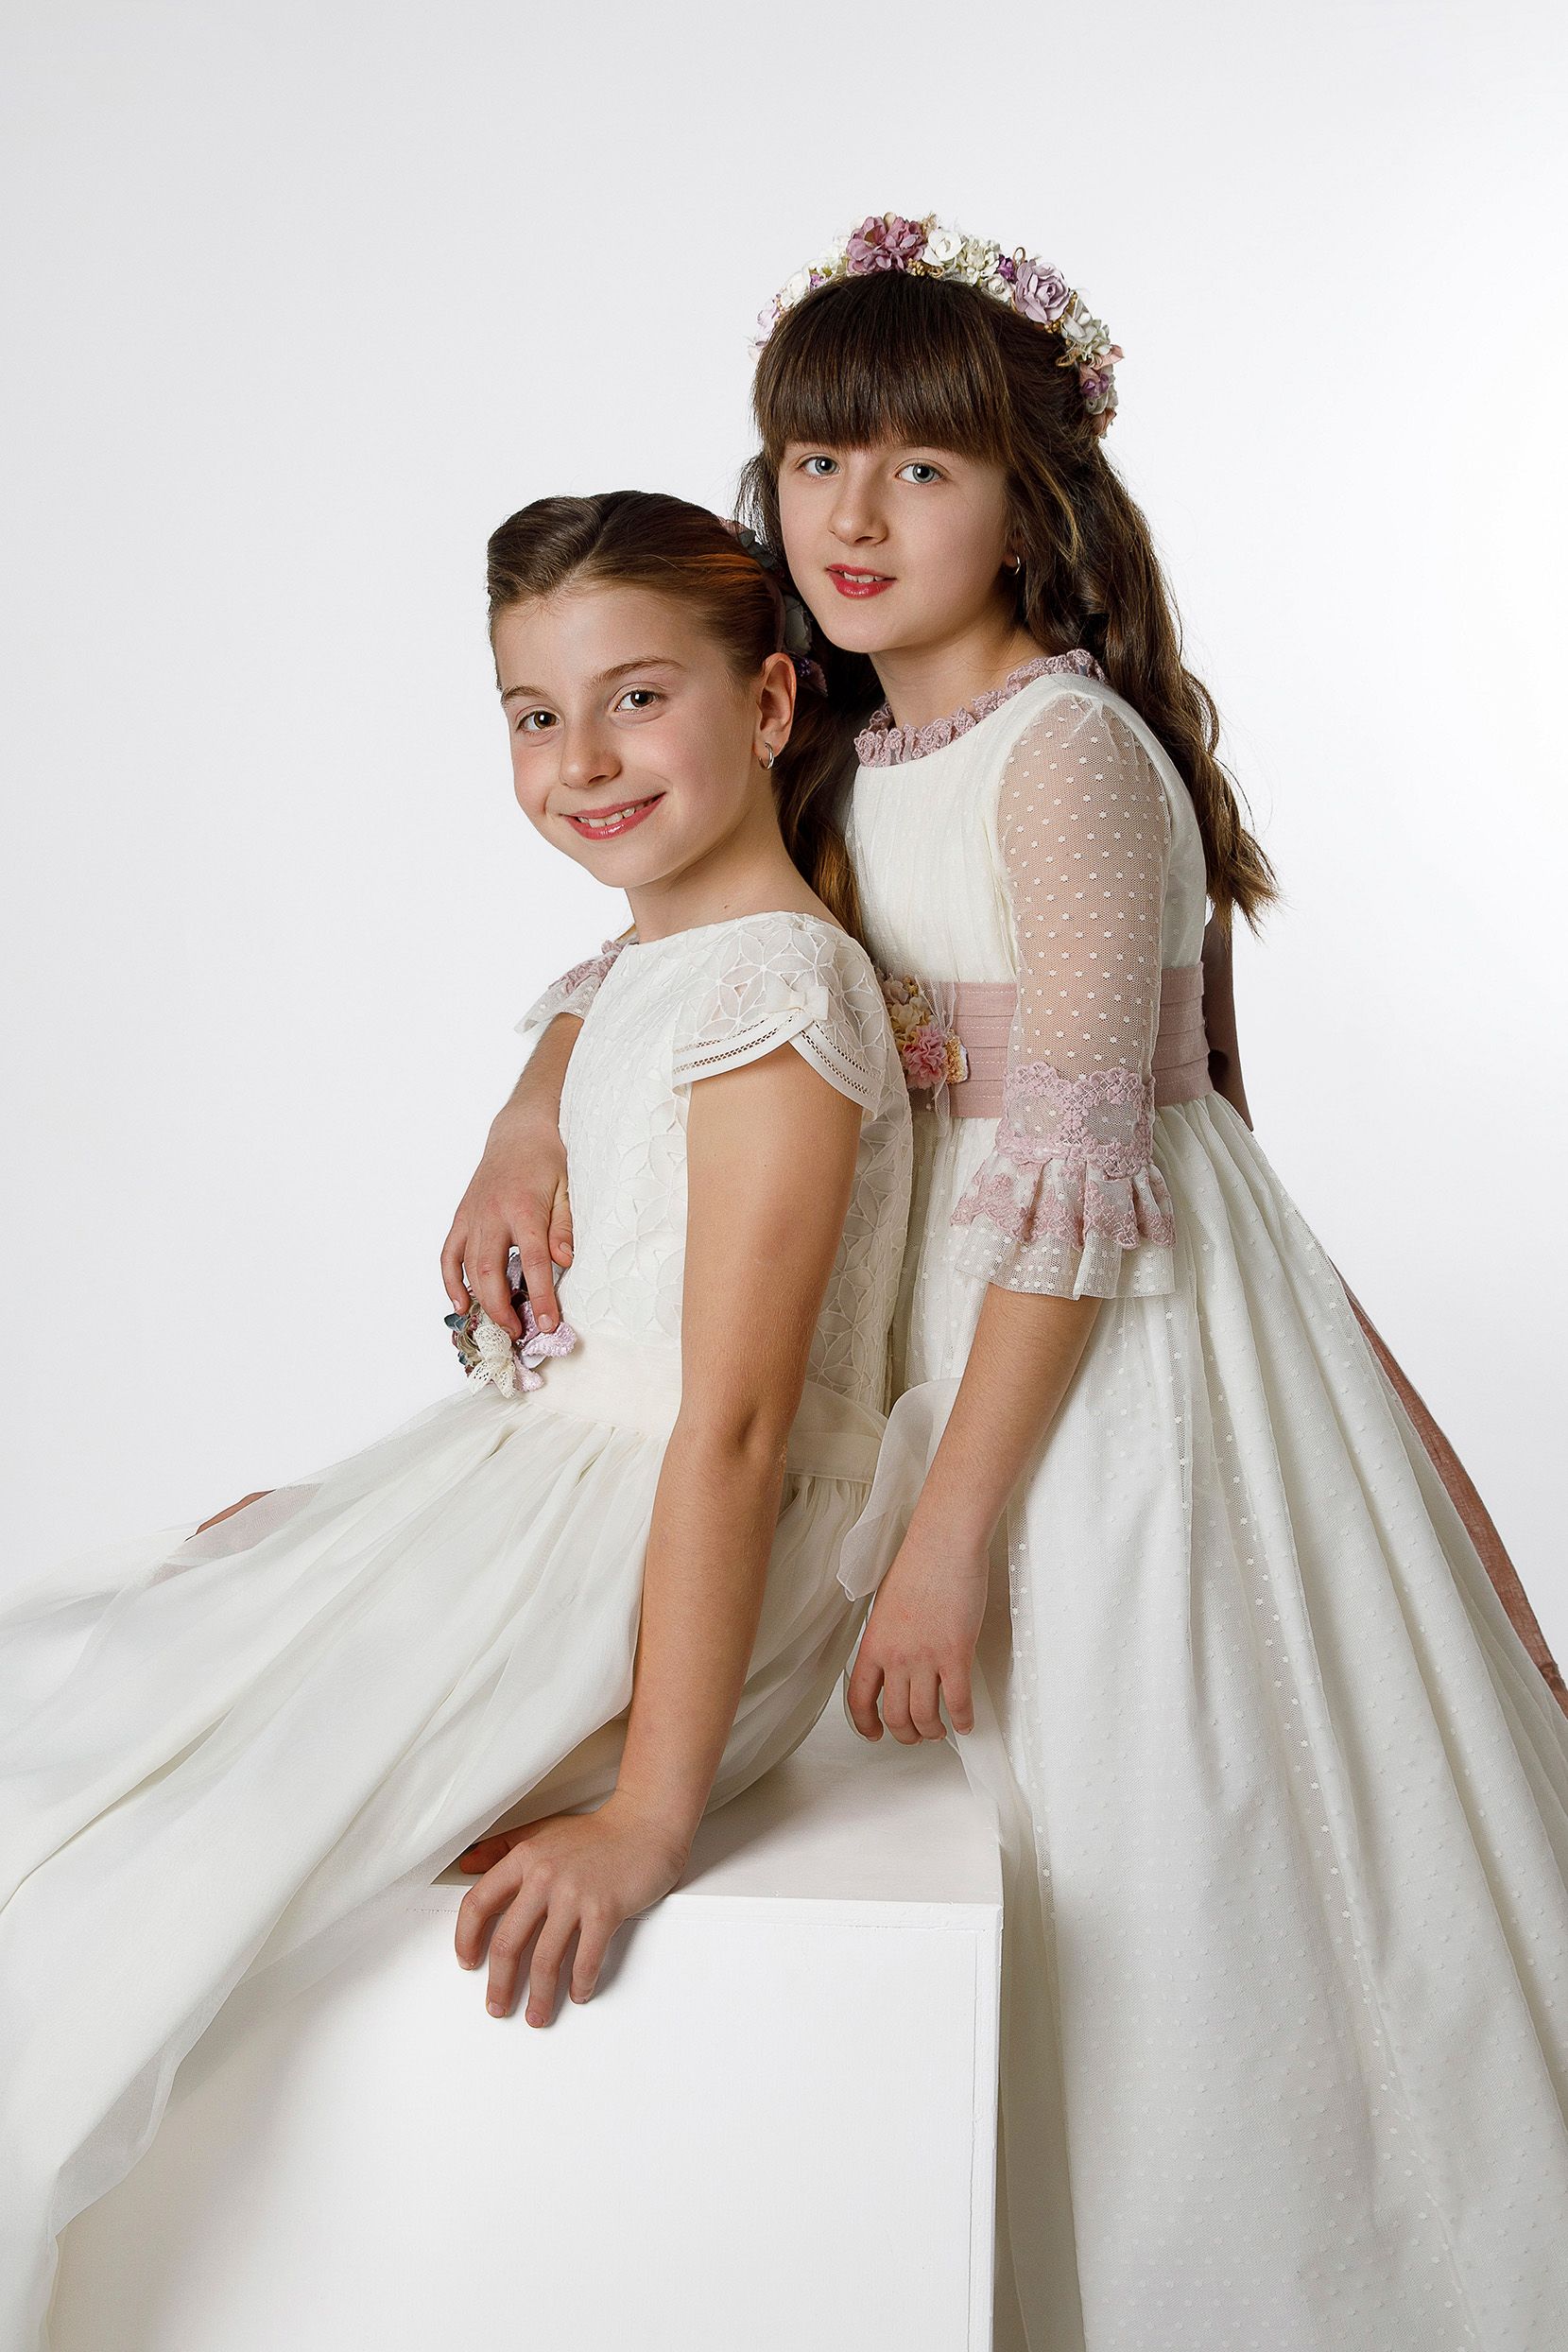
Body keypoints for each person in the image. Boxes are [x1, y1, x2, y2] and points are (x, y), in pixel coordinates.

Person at [455, 219, 1568, 2349]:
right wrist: (534, 1099)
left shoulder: (1067, 754)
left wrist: (948, 1534)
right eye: (810, 463)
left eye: (917, 470)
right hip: (939, 1321)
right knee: (990, 1864)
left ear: (1025, 500)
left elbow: (1079, 1163)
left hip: (1099, 1358)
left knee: (1175, 1831)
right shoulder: (848, 757)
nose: (848, 516)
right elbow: (671, 935)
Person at [0, 489, 912, 2351]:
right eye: (529, 712)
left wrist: (650, 1818)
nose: (580, 759)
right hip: (556, 1477)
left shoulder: (778, 998)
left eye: (635, 698)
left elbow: (729, 1428)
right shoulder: (663, 967)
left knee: (134, 1846)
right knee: (117, 1676)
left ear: (767, 700)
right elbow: (615, 995)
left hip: (646, 1550)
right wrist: (363, 1512)